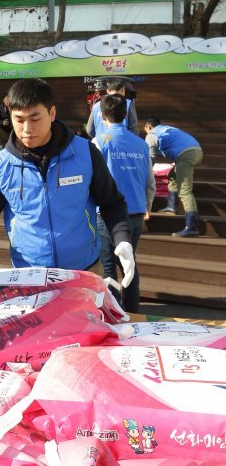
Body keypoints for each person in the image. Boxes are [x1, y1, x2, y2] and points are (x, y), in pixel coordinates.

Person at [0, 78, 134, 285]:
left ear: (52, 113)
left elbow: (112, 202)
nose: (27, 128)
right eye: (19, 120)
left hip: (83, 269)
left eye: (35, 118)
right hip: (28, 275)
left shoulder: (85, 153)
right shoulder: (1, 164)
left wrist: (122, 239)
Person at [93, 94, 155, 312]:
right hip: (136, 211)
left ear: (102, 116)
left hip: (106, 214)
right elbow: (150, 181)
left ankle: (113, 314)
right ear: (126, 114)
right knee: (129, 264)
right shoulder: (141, 143)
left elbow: (91, 181)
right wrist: (148, 206)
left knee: (109, 266)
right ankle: (132, 311)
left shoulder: (98, 142)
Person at [143, 117, 203, 237]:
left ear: (149, 127)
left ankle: (192, 227)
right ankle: (171, 206)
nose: (146, 134)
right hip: (197, 151)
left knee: (185, 191)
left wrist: (145, 175)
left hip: (186, 155)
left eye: (146, 131)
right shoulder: (168, 128)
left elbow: (151, 158)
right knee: (172, 175)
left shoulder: (152, 135)